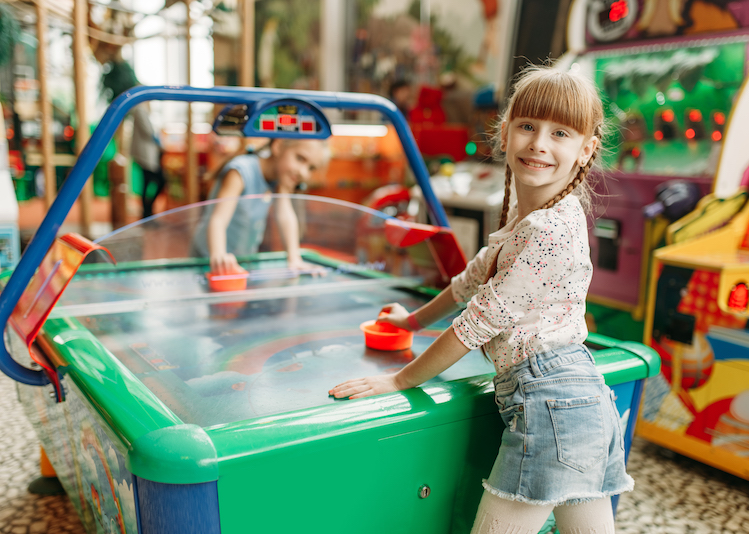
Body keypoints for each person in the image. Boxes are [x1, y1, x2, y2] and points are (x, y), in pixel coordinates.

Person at [330, 66, 631, 534]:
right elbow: (471, 281)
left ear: (585, 150)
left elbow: (477, 322)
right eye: (528, 126)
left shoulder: (549, 229)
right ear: (506, 130)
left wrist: (401, 381)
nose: (539, 143)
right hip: (582, 404)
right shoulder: (534, 214)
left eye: (560, 133)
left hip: (551, 403)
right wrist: (411, 322)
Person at [191, 138, 329, 274]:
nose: (304, 173)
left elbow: (285, 215)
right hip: (208, 259)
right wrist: (219, 255)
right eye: (300, 158)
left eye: (311, 168)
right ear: (278, 146)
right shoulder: (240, 171)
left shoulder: (281, 177)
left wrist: (294, 259)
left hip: (242, 259)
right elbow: (218, 220)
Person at [131, 102, 164, 219]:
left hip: (149, 154)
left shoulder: (146, 111)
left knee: (149, 182)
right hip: (146, 154)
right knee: (157, 180)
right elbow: (149, 131)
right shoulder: (140, 110)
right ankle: (146, 211)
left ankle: (147, 211)